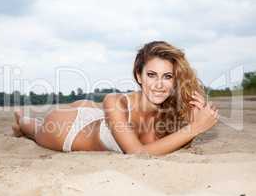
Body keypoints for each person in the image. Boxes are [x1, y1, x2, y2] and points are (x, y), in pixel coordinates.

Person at [11, 41, 219, 156]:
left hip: (100, 117)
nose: (159, 84)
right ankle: (21, 122)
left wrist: (192, 121)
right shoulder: (114, 101)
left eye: (167, 77)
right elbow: (138, 154)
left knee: (94, 110)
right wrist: (195, 128)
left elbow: (171, 146)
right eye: (151, 75)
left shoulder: (168, 110)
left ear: (175, 81)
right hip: (68, 129)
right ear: (139, 75)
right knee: (36, 128)